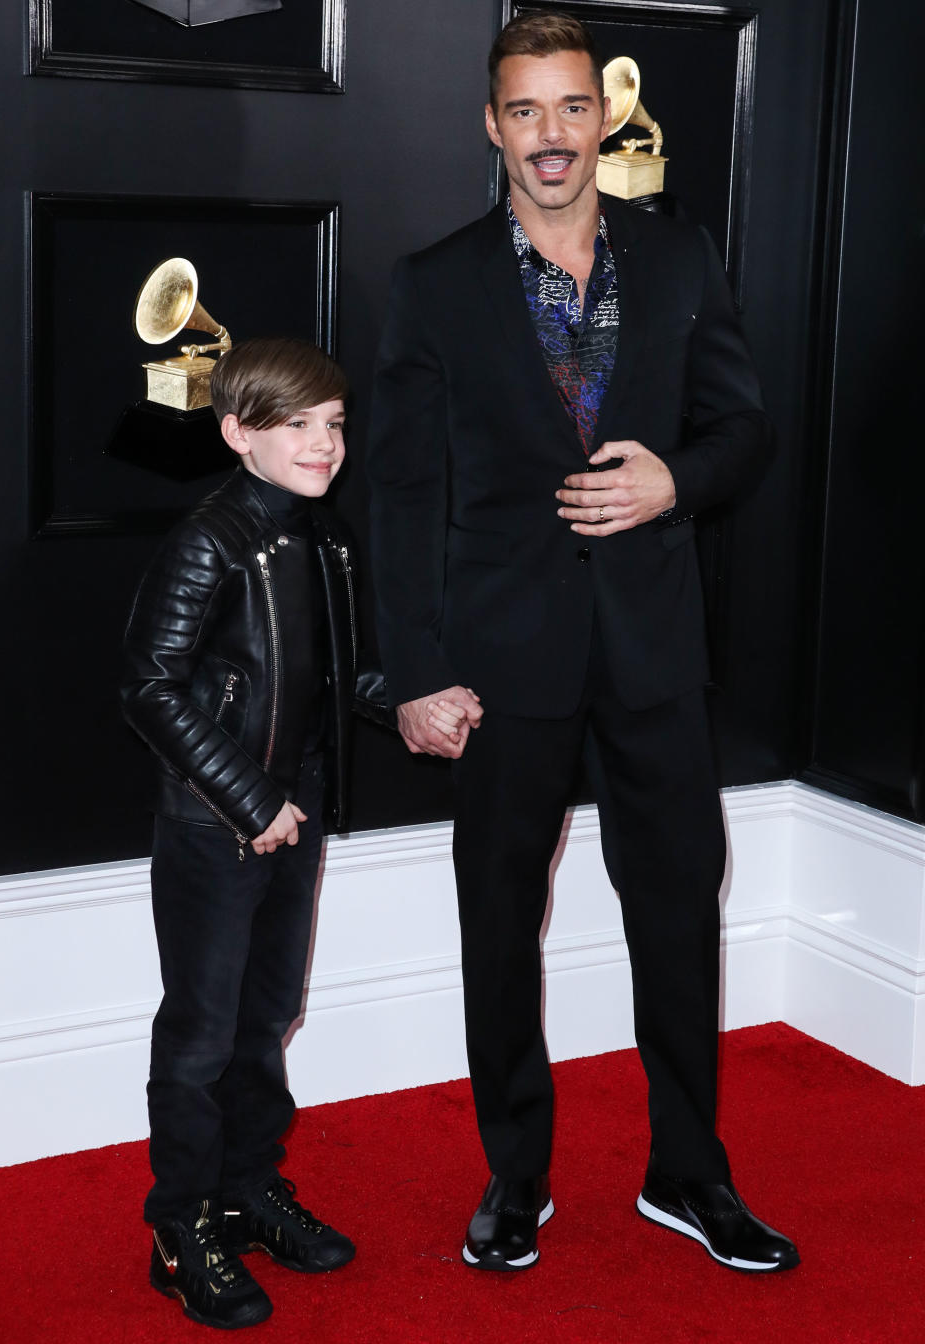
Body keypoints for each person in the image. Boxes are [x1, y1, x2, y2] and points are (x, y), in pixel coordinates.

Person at [367, 12, 798, 1274]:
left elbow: (745, 429)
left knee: (678, 916)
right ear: (491, 126)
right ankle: (516, 1174)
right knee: (499, 922)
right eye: (524, 112)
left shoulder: (679, 258)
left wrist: (677, 481)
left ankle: (690, 1172)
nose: (550, 137)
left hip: (656, 654)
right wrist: (414, 672)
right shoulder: (433, 283)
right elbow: (399, 495)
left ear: (598, 119)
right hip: (502, 666)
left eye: (569, 109)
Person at [122, 337, 387, 1329]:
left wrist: (414, 703)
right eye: (296, 425)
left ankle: (245, 1193)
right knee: (200, 1033)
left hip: (296, 807)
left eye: (333, 424)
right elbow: (146, 687)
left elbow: (331, 673)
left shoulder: (323, 534)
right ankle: (178, 1226)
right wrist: (248, 798)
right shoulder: (209, 540)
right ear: (238, 433)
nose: (323, 444)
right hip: (217, 823)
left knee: (267, 1017)